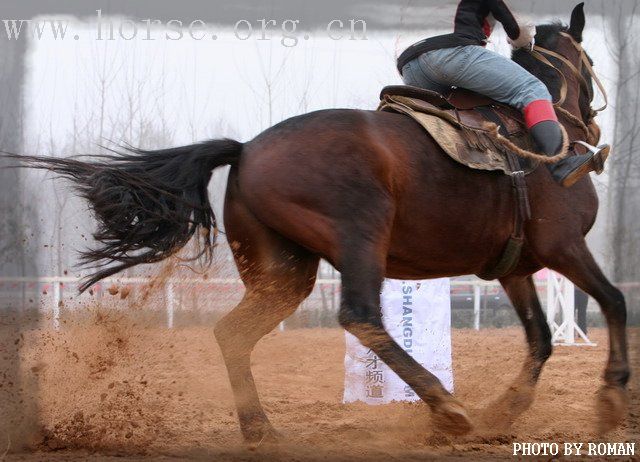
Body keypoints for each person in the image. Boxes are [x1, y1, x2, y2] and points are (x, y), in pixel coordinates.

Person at [396, 0, 605, 187]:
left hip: (410, 67)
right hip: (451, 52)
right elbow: (517, 26)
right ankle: (561, 162)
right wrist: (524, 42)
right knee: (532, 89)